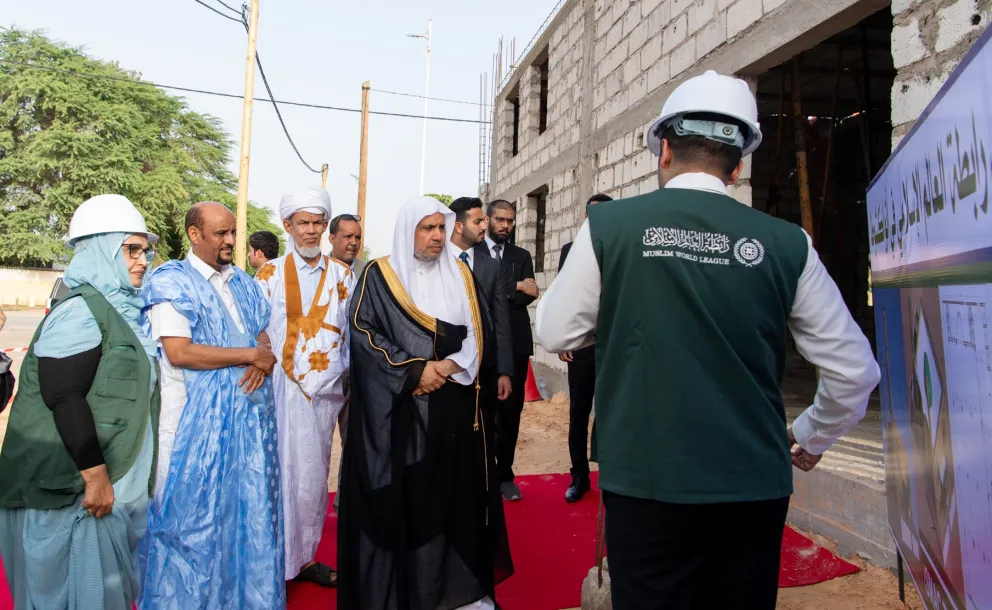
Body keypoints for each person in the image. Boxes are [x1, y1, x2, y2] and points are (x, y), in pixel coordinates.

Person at [535, 70, 881, 609]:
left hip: (647, 478)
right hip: (753, 483)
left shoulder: (609, 227)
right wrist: (812, 434)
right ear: (738, 163)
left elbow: (556, 331)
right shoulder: (789, 244)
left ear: (664, 148)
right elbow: (856, 372)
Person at [337, 196, 513, 610]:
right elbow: (364, 334)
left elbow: (477, 332)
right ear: (408, 230)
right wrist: (415, 370)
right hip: (400, 410)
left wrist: (446, 367)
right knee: (409, 498)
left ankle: (454, 589)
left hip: (452, 404)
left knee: (453, 496)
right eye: (427, 228)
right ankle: (405, 590)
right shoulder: (380, 276)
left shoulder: (461, 274)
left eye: (440, 228)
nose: (436, 236)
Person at [0, 194, 160, 610]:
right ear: (101, 251)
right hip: (74, 493)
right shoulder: (81, 311)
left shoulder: (121, 309)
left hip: (107, 487)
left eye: (146, 250)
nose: (143, 259)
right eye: (131, 249)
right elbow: (63, 395)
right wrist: (95, 478)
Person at [140, 201, 285, 609]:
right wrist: (247, 356)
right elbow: (180, 352)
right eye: (221, 233)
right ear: (193, 234)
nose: (231, 241)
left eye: (234, 232)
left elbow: (261, 337)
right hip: (194, 430)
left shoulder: (242, 281)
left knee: (247, 518)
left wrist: (262, 355)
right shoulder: (172, 282)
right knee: (192, 525)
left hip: (250, 426)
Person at [254, 188, 354, 587]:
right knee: (275, 474)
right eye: (303, 223)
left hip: (325, 394)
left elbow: (353, 333)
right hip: (277, 392)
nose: (311, 231)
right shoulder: (269, 274)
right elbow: (253, 325)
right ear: (288, 226)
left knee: (312, 479)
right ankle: (272, 561)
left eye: (317, 223)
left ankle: (305, 558)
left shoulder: (344, 276)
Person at [558, 192, 612, 503]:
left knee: (610, 411)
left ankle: (611, 474)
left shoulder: (622, 247)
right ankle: (579, 477)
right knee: (578, 413)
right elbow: (566, 295)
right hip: (581, 346)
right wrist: (566, 338)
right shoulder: (571, 251)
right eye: (591, 214)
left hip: (614, 346)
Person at [483, 199, 538, 501]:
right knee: (483, 411)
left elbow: (531, 294)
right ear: (488, 219)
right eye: (500, 219)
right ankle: (483, 474)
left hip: (516, 344)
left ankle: (505, 475)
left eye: (511, 221)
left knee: (510, 413)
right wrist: (515, 286)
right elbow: (481, 291)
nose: (506, 225)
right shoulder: (476, 253)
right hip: (483, 345)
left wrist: (507, 289)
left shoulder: (521, 255)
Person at [449, 197, 514, 405]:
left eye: (484, 221)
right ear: (459, 226)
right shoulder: (437, 261)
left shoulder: (492, 266)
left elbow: (501, 320)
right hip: (442, 368)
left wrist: (504, 371)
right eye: (477, 222)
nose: (485, 226)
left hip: (481, 369)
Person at [329, 213, 366, 278]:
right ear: (332, 239)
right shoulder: (317, 271)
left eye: (358, 238)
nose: (354, 242)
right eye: (348, 236)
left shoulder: (368, 272)